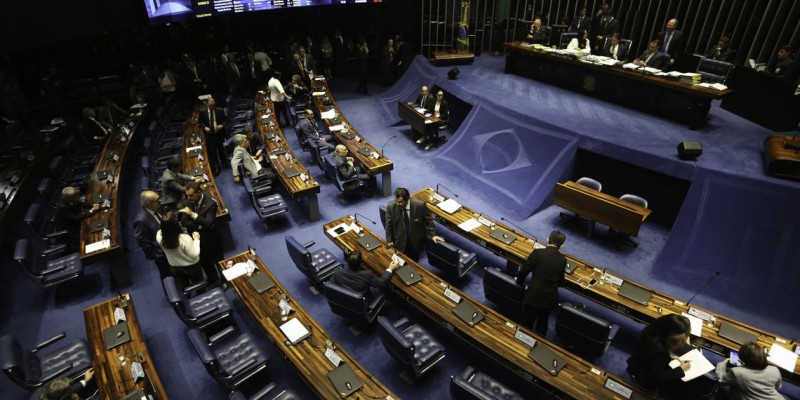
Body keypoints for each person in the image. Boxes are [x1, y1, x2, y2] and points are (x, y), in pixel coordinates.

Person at [514, 230, 566, 336]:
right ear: (562, 245)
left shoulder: (538, 253)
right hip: (549, 299)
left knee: (526, 324)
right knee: (542, 324)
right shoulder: (563, 260)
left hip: (533, 296)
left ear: (547, 240)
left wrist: (519, 281)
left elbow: (524, 271)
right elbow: (560, 282)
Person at [626, 314, 693, 394]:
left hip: (637, 364)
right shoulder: (659, 351)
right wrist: (681, 369)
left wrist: (668, 356)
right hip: (644, 380)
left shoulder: (652, 330)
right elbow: (659, 378)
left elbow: (651, 354)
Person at [178, 182, 221, 285]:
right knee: (206, 264)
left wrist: (192, 214)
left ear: (199, 192)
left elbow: (208, 222)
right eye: (187, 195)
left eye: (191, 195)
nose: (188, 197)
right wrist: (200, 226)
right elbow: (184, 221)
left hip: (212, 240)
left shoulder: (211, 204)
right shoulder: (188, 201)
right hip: (197, 241)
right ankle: (213, 279)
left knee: (219, 263)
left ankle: (225, 280)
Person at [384, 187, 444, 261]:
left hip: (415, 241)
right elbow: (388, 225)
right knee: (399, 262)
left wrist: (433, 234)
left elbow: (428, 221)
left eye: (400, 202)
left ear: (407, 199)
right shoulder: (391, 206)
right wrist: (389, 240)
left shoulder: (419, 205)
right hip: (400, 240)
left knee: (414, 262)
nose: (398, 204)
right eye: (396, 201)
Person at [715, 342, 785, 400]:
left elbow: (720, 380)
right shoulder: (774, 370)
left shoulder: (738, 372)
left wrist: (723, 363)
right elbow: (777, 387)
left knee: (724, 387)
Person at [157, 210, 203, 289]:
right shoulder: (184, 239)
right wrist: (196, 240)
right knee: (200, 287)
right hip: (192, 267)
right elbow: (195, 254)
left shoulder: (159, 236)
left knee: (184, 288)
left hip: (176, 268)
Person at [331, 250, 400, 299]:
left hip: (345, 297)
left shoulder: (337, 272)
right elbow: (381, 282)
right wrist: (390, 268)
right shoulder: (367, 275)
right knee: (382, 288)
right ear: (361, 263)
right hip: (362, 300)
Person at [133, 190, 170, 279]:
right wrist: (155, 255)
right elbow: (142, 241)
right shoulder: (141, 221)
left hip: (169, 245)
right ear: (149, 204)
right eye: (157, 200)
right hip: (161, 254)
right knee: (167, 274)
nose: (160, 200)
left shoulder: (157, 207)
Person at [56, 186, 100, 251]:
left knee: (94, 223)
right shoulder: (64, 208)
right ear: (70, 198)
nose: (78, 197)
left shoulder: (70, 200)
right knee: (92, 232)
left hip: (75, 222)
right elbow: (76, 218)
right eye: (76, 196)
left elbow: (80, 204)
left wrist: (92, 205)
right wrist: (91, 211)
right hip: (72, 229)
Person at [198, 97, 226, 176]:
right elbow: (200, 122)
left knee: (221, 149)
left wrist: (221, 125)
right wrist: (205, 127)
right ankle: (216, 167)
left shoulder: (220, 110)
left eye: (213, 105)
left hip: (219, 133)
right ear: (207, 104)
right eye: (210, 106)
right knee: (212, 152)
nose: (212, 107)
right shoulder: (202, 111)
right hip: (209, 135)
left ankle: (224, 163)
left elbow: (225, 120)